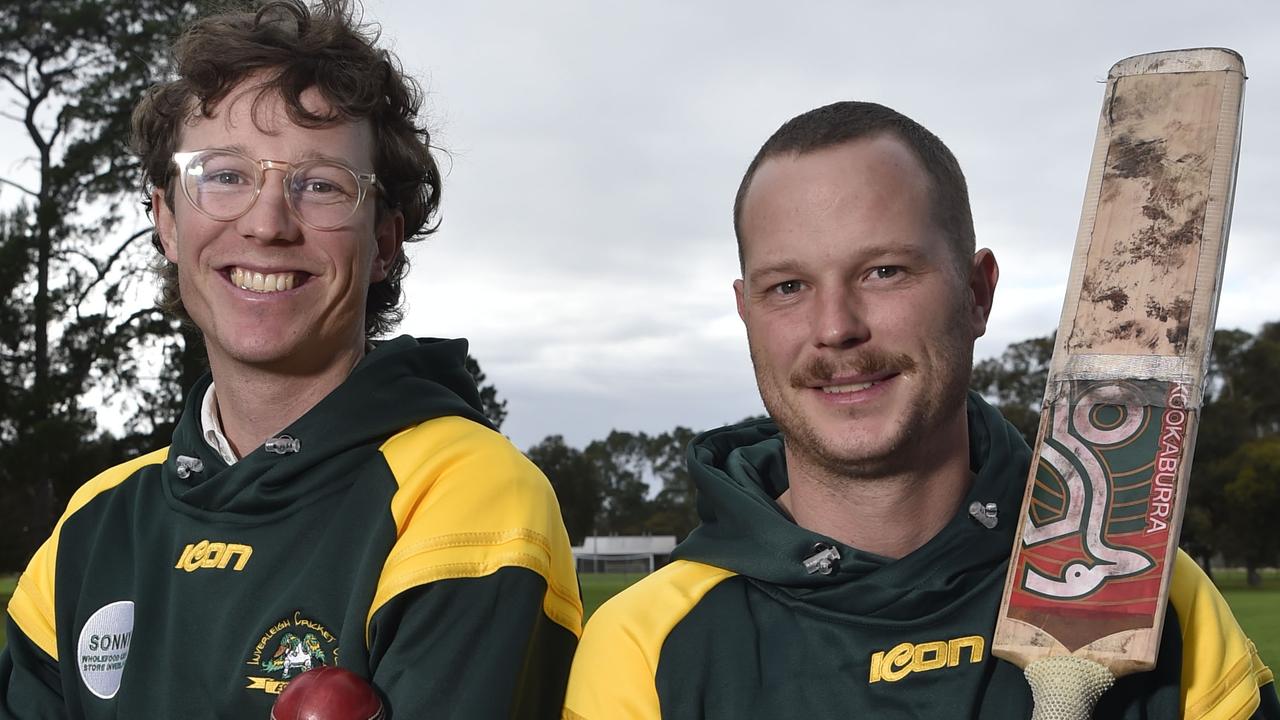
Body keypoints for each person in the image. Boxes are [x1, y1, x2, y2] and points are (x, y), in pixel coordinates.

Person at [563, 101, 1278, 719]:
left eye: (884, 271)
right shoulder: (644, 644)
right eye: (788, 287)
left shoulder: (1148, 593)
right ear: (746, 312)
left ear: (977, 293)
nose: (835, 327)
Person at [0, 1, 581, 717]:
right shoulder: (92, 528)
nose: (268, 223)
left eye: (322, 185)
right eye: (224, 175)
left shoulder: (471, 498)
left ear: (385, 243)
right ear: (165, 222)